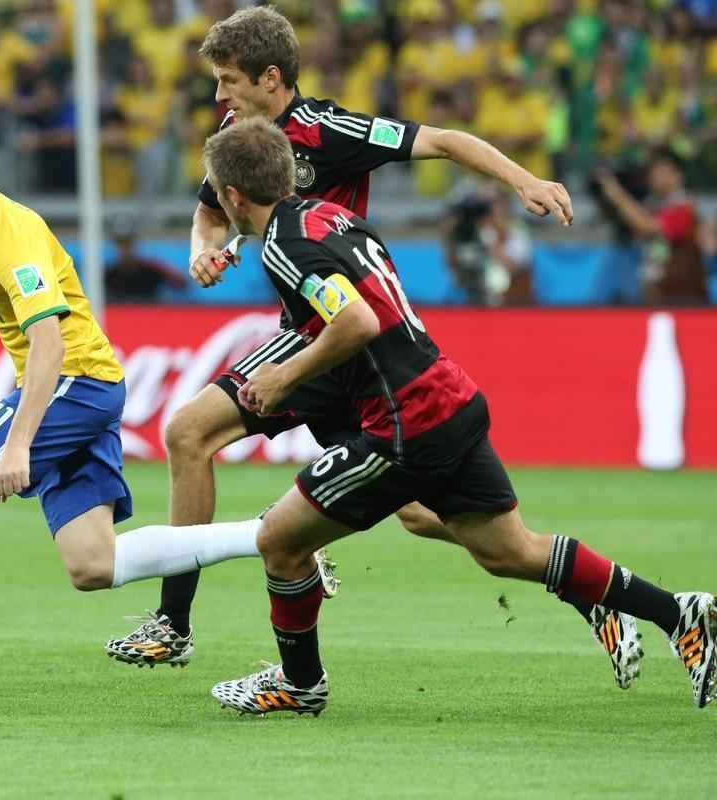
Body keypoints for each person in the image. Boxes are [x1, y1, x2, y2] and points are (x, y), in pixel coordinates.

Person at [104, 6, 636, 691]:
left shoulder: (330, 130)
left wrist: (524, 181)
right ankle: (180, 619)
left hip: (345, 340)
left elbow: (445, 139)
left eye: (229, 79)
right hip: (312, 336)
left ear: (271, 78)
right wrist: (201, 250)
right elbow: (209, 211)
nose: (218, 94)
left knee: (400, 510)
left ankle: (222, 604)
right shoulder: (237, 136)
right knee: (196, 437)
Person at [199, 119, 715, 714]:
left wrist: (283, 377)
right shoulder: (329, 216)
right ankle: (678, 613)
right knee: (510, 552)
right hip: (448, 396)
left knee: (280, 542)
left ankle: (300, 684)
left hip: (403, 424)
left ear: (234, 197)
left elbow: (357, 321)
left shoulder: (284, 247)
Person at [0, 124, 277, 704]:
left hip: (73, 382)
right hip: (87, 385)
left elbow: (49, 344)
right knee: (93, 564)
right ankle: (271, 534)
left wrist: (18, 443)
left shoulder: (10, 237)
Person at [594, 149, 710, 306]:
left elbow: (648, 227)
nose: (654, 176)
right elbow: (636, 228)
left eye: (661, 171)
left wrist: (617, 194)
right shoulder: (654, 205)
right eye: (652, 172)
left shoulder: (684, 208)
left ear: (677, 175)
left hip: (683, 298)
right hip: (658, 293)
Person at [104, 220, 187, 302]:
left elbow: (181, 283)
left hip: (150, 309)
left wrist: (160, 267)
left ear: (135, 243)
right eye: (121, 243)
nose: (125, 247)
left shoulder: (152, 269)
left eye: (128, 242)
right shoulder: (109, 273)